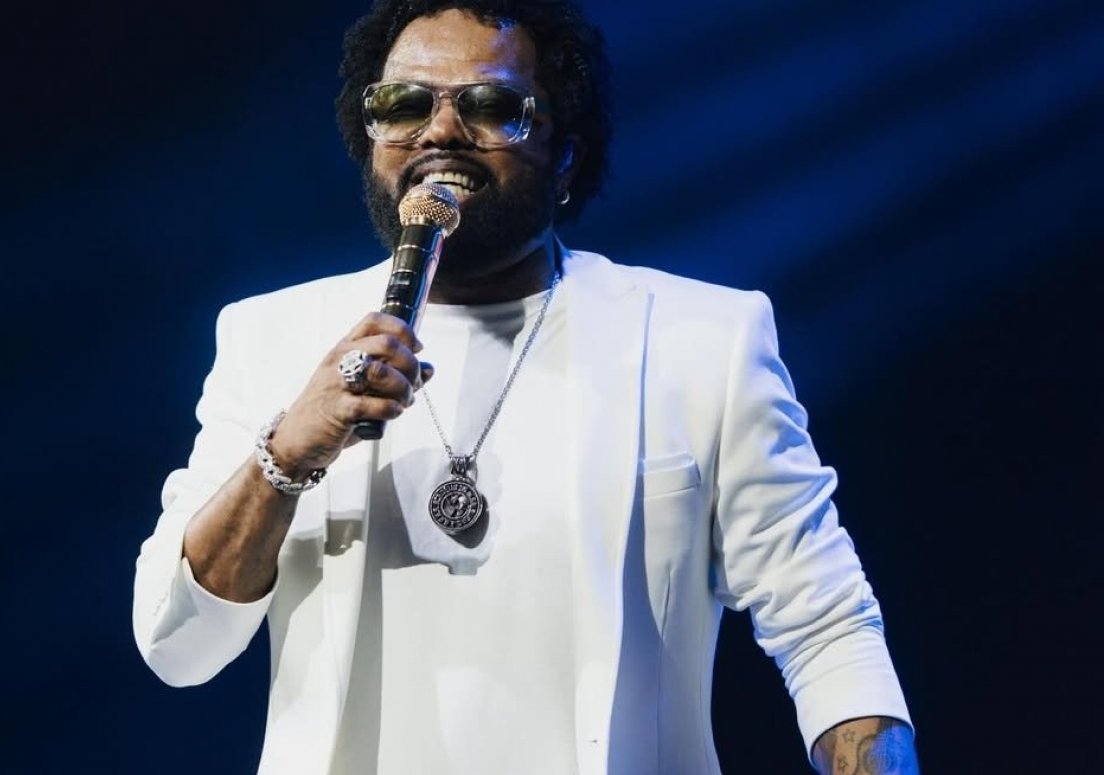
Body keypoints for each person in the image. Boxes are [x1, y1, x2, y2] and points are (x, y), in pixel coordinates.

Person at [132, 1, 919, 773]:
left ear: (566, 154)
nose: (440, 130)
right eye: (403, 103)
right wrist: (285, 454)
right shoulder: (272, 337)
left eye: (492, 106)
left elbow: (826, 628)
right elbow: (179, 644)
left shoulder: (702, 340)